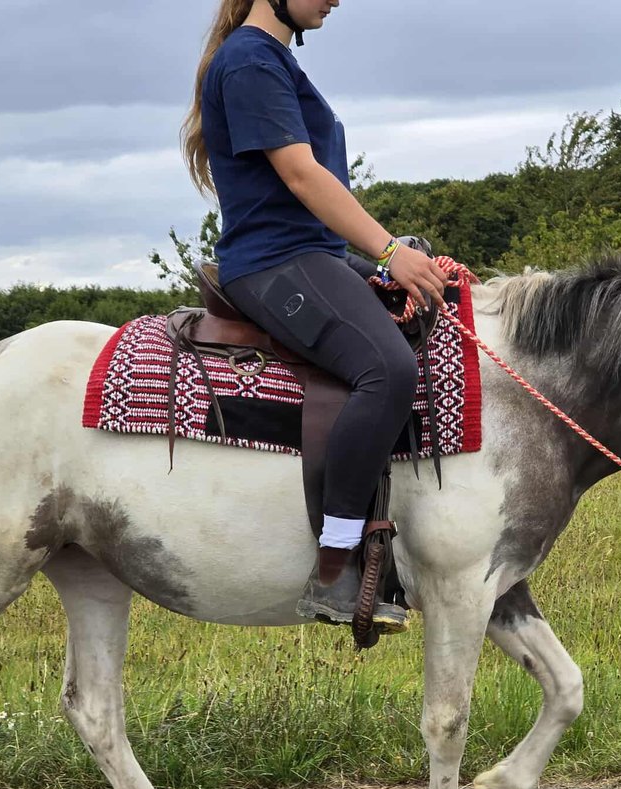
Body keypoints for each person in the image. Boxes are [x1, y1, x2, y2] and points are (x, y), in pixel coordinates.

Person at [182, 0, 449, 632]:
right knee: (387, 369)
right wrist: (388, 252)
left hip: (312, 254)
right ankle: (338, 563)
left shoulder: (271, 58)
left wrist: (390, 261)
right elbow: (302, 176)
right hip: (274, 262)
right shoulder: (250, 61)